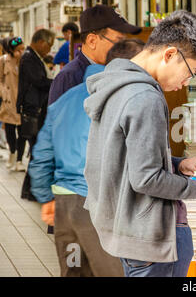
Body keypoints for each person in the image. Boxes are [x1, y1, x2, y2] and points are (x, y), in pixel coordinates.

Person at [83, 10, 196, 278]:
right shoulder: (145, 97)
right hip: (152, 240)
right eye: (191, 72)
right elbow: (147, 178)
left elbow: (124, 156)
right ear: (169, 55)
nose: (186, 82)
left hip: (126, 229)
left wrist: (180, 165)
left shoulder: (116, 85)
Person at [28, 39, 145, 277]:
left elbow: (41, 156)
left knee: (74, 271)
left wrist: (46, 198)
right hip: (97, 209)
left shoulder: (65, 100)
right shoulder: (121, 98)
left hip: (64, 209)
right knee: (111, 272)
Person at [48, 5, 141, 106]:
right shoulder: (69, 78)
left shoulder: (116, 71)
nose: (123, 49)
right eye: (118, 42)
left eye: (125, 42)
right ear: (92, 41)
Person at [17, 29, 55, 201]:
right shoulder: (29, 58)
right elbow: (39, 81)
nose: (49, 50)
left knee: (36, 150)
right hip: (33, 111)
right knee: (37, 150)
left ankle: (31, 190)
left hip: (36, 109)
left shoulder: (33, 57)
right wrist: (57, 83)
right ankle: (31, 190)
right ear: (41, 42)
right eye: (49, 46)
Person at [0, 37, 26, 171]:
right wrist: (3, 93)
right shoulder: (4, 60)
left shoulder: (26, 60)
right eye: (18, 50)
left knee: (22, 132)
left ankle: (20, 160)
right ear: (11, 50)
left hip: (22, 101)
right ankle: (12, 152)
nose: (20, 52)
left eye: (22, 49)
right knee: (10, 131)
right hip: (9, 101)